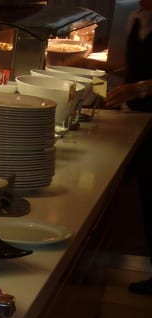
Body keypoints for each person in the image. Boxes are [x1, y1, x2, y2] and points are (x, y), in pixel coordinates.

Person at [105, 0, 152, 295]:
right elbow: (136, 68)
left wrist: (139, 88)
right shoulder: (138, 18)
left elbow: (140, 81)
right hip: (140, 119)